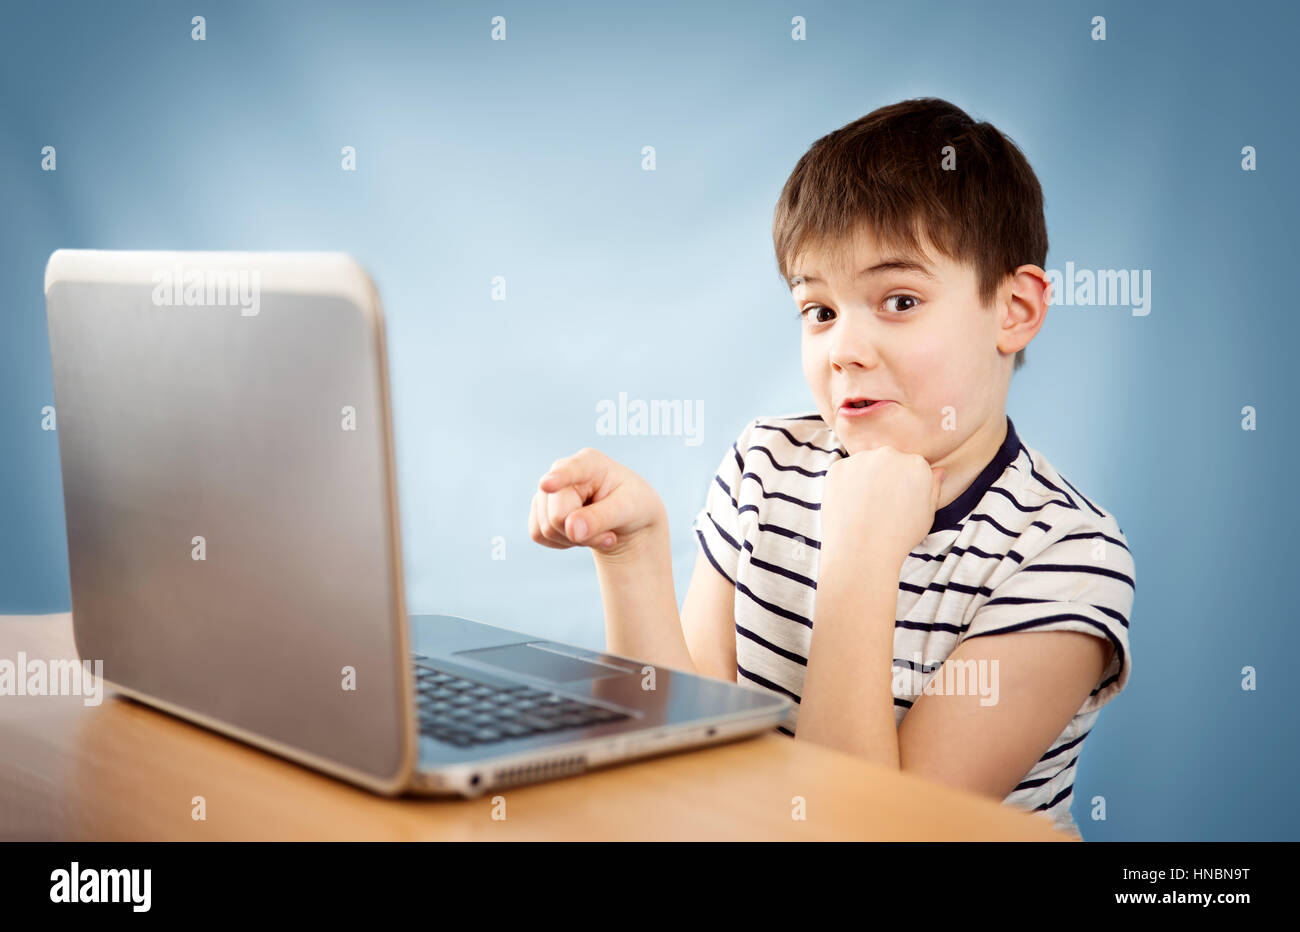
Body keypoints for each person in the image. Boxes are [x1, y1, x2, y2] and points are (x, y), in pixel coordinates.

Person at [527, 98, 1134, 840]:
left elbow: (864, 833)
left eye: (899, 300)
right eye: (819, 310)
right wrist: (634, 555)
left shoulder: (1066, 556)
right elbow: (683, 759)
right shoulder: (765, 464)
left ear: (1013, 309)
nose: (843, 347)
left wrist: (860, 555)